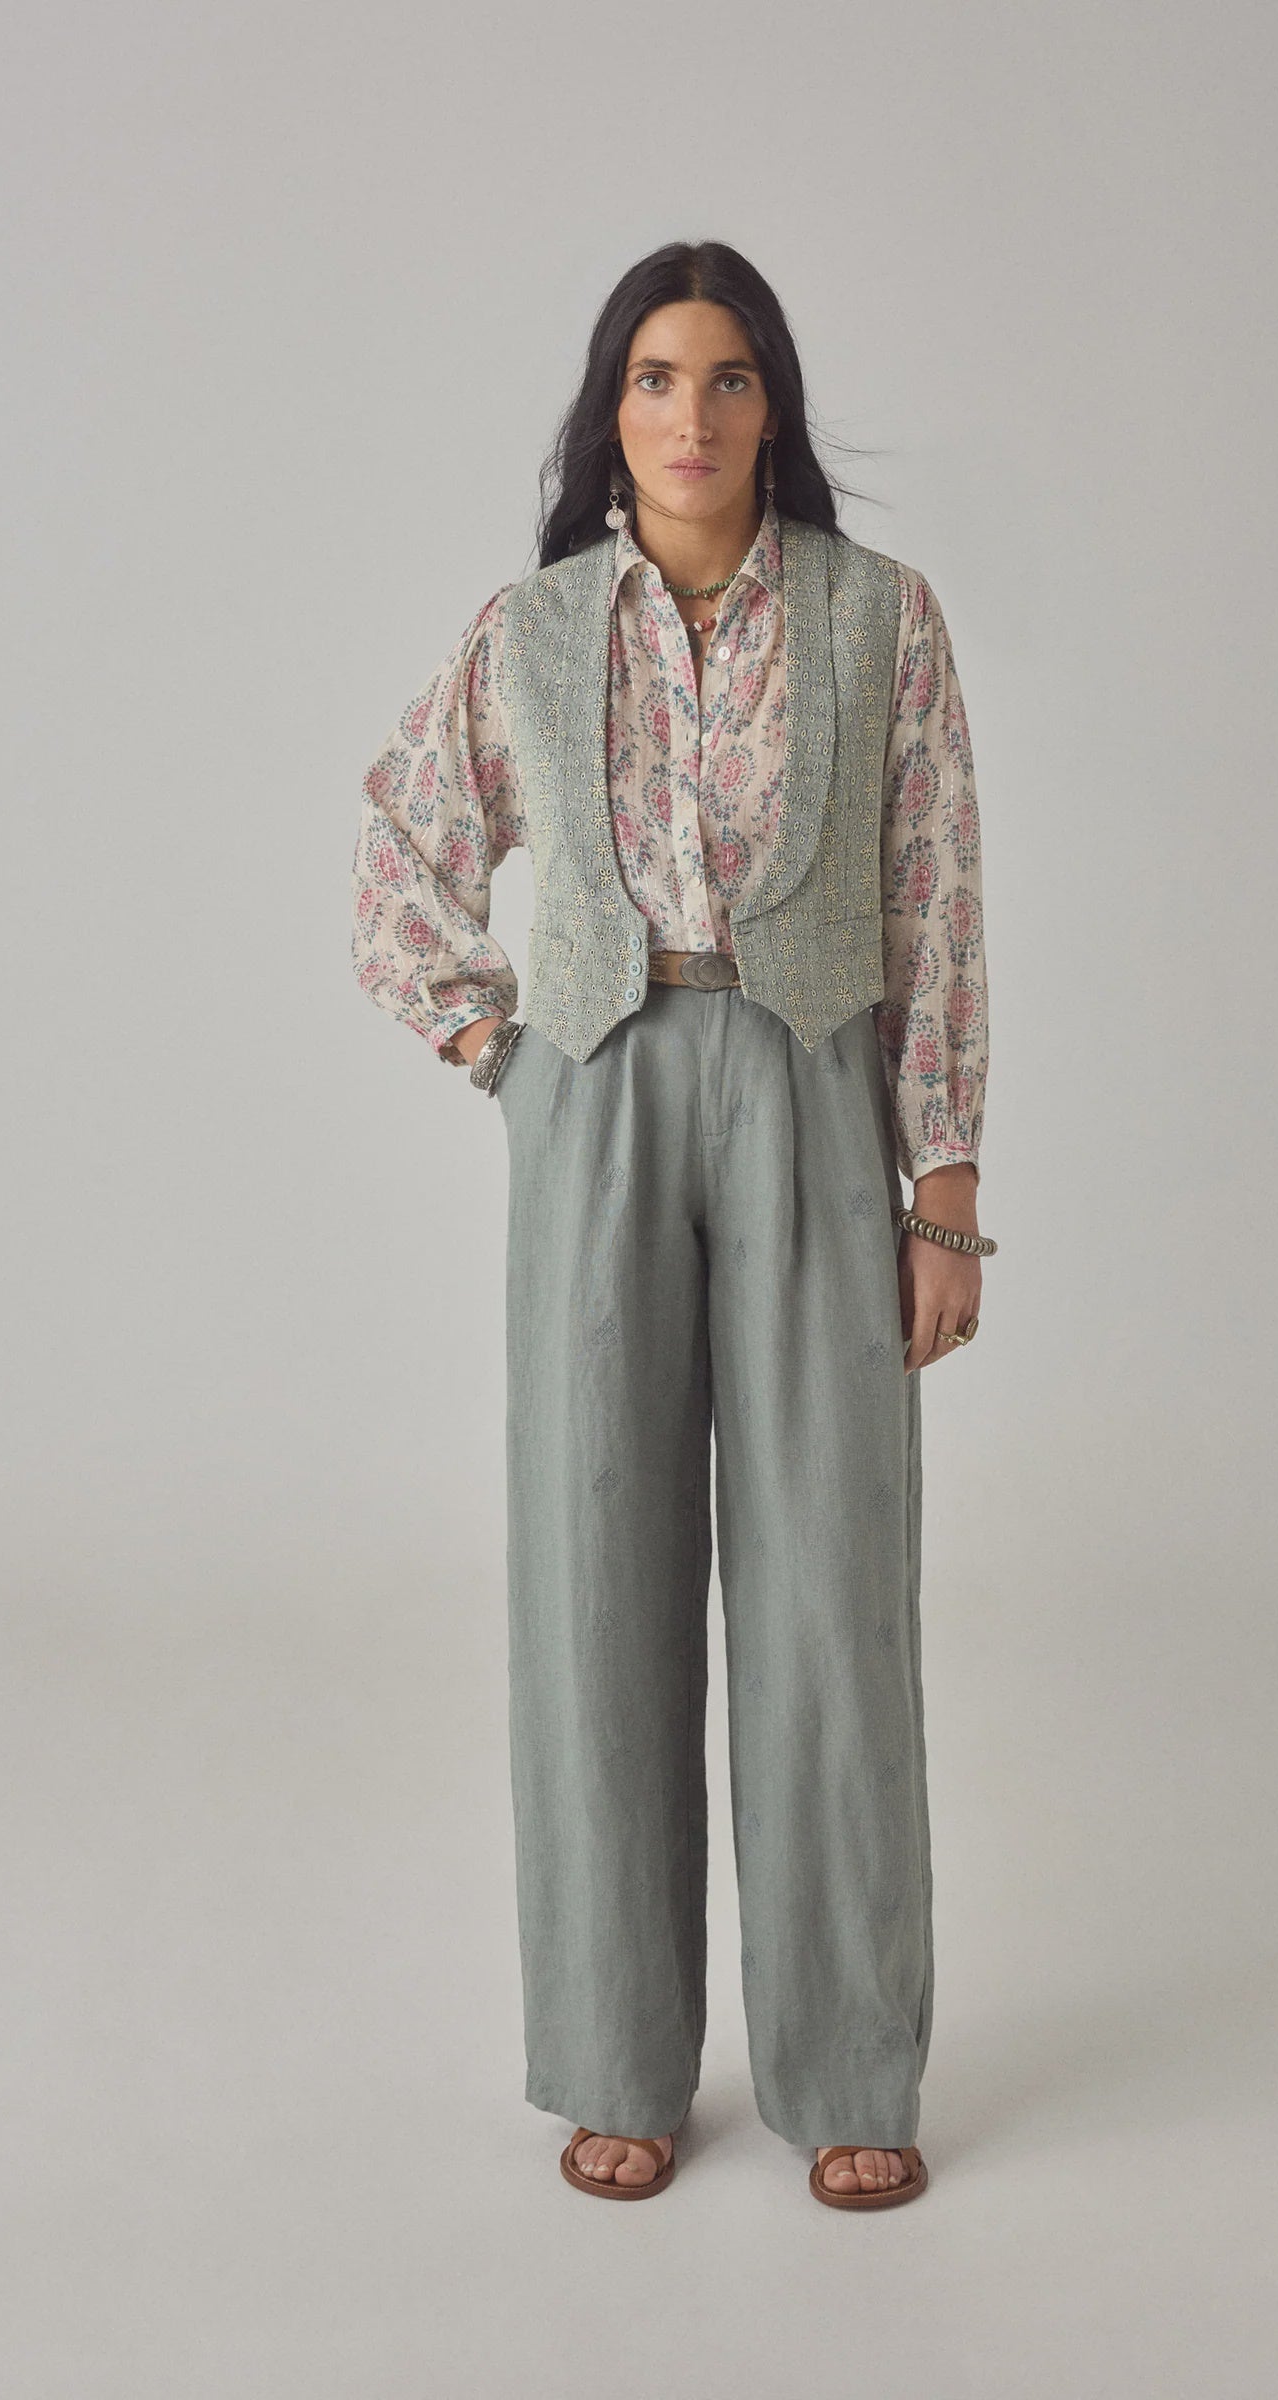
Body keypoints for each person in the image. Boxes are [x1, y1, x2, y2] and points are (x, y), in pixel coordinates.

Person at [351, 238, 993, 2211]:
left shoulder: (879, 620)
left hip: (812, 1091)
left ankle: (847, 2064)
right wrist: (507, 1053)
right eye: (653, 377)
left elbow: (934, 895)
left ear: (769, 404)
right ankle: (616, 2052)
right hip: (601, 1099)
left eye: (725, 378)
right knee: (595, 1573)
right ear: (605, 411)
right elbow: (400, 850)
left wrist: (943, 1190)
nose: (691, 416)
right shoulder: (533, 630)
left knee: (828, 1593)